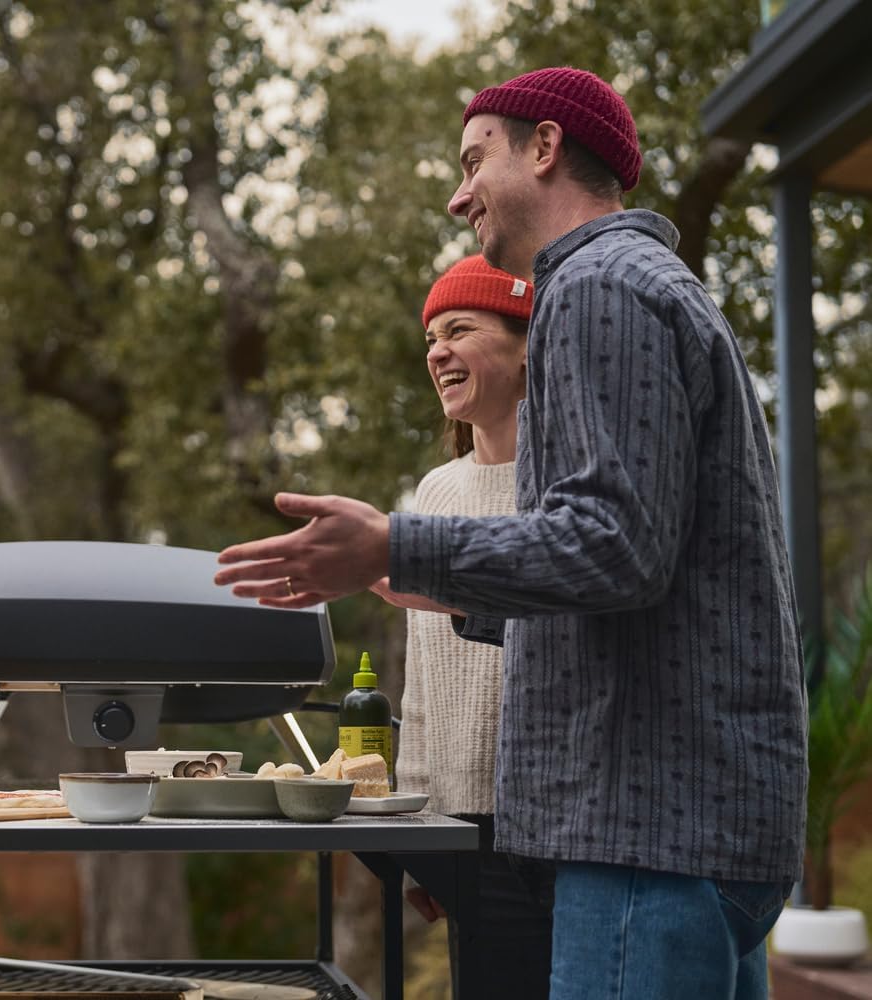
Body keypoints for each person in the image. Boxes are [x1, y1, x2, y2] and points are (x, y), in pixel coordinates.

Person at [215, 67, 806, 999]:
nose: (459, 197)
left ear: (545, 147)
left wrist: (396, 545)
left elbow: (615, 546)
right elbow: (642, 564)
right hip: (692, 836)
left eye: (473, 160)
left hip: (644, 838)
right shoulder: (653, 285)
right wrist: (448, 590)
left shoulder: (595, 287)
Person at [389, 254, 554, 995]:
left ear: (527, 349)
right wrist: (416, 834)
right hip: (462, 836)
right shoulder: (433, 494)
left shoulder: (570, 489)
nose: (437, 352)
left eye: (460, 330)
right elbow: (421, 684)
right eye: (431, 338)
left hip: (560, 831)